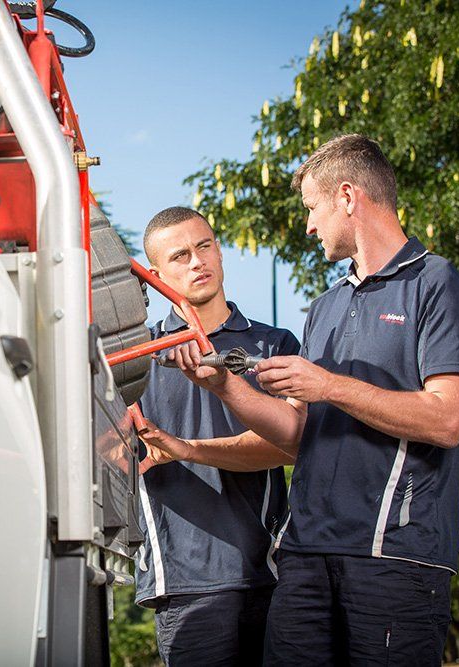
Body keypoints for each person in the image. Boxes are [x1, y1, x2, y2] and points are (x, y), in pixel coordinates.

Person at [148, 134, 459, 666]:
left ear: (347, 198)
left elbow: (445, 420)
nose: (308, 225)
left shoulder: (436, 283)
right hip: (302, 559)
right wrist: (225, 386)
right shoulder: (324, 307)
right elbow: (300, 439)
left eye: (311, 208)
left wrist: (326, 385)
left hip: (393, 555)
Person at [135, 206, 301, 666]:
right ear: (154, 274)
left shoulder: (276, 345)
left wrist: (186, 450)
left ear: (221, 251)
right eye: (180, 255)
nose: (196, 262)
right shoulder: (135, 360)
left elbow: (289, 446)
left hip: (275, 571)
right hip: (184, 583)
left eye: (204, 246)